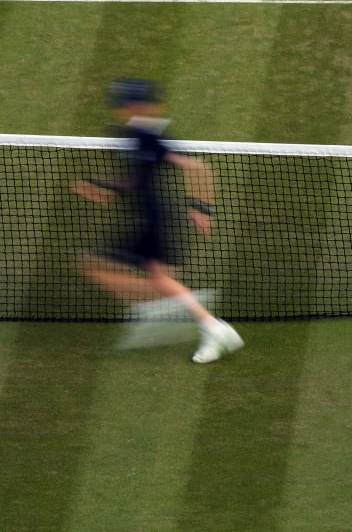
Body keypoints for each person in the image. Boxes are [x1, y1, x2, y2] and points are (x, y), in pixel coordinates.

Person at [72, 78, 243, 364]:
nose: (120, 110)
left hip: (153, 222)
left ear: (135, 106)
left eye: (125, 104)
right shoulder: (138, 135)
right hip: (150, 219)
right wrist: (102, 189)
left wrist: (202, 209)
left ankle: (205, 320)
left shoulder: (146, 136)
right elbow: (135, 181)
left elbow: (198, 168)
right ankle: (198, 317)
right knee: (151, 276)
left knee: (105, 269)